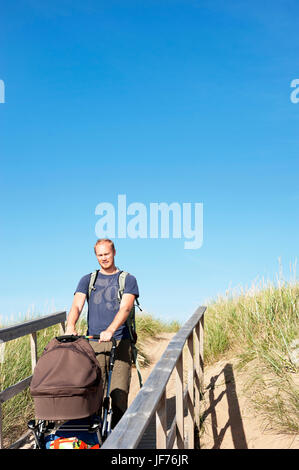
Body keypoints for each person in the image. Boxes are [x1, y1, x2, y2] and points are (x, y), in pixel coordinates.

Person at [65, 238, 139, 428]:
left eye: (107, 254)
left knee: (119, 394)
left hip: (120, 342)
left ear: (114, 253)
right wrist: (71, 325)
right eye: (100, 255)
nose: (104, 258)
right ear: (95, 256)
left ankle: (118, 436)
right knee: (94, 393)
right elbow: (77, 304)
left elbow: (126, 308)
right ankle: (94, 437)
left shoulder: (127, 279)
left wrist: (111, 330)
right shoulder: (88, 279)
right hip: (93, 344)